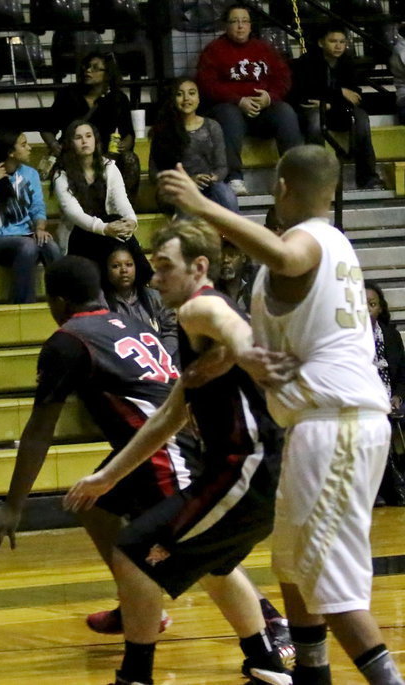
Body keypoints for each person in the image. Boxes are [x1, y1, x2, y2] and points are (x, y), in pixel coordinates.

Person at [157, 147, 404, 685]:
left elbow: (288, 257)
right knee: (292, 569)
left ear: (284, 186)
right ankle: (314, 677)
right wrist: (222, 361)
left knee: (332, 588)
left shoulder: (311, 240)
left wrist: (203, 205)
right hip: (315, 426)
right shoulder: (305, 258)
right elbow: (262, 338)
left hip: (335, 424)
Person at [64, 219, 292, 685]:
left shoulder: (198, 307)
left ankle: (136, 676)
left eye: (165, 266)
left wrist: (247, 348)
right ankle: (266, 662)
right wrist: (107, 478)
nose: (154, 276)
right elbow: (167, 418)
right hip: (241, 471)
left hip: (247, 470)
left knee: (133, 552)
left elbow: (228, 324)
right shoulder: (194, 332)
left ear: (199, 267)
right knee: (215, 563)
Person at [0, 255, 195, 645]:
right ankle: (137, 607)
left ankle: (268, 624)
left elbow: (39, 430)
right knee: (88, 502)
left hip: (167, 445)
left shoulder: (69, 341)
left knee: (196, 549)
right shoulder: (128, 321)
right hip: (164, 436)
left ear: (57, 301)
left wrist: (13, 505)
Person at [196, 3, 303, 197]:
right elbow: (208, 84)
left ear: (251, 26)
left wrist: (269, 98)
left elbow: (283, 77)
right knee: (229, 114)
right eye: (235, 21)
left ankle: (294, 176)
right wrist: (238, 100)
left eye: (245, 21)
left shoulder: (264, 48)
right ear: (226, 26)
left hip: (263, 110)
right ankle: (234, 177)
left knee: (285, 111)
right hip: (230, 110)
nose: (240, 26)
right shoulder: (214, 50)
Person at [51, 120, 149, 284]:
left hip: (108, 233)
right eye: (78, 137)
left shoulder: (109, 167)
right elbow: (74, 214)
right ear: (70, 143)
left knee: (118, 227)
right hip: (78, 235)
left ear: (95, 140)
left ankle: (142, 286)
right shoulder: (61, 174)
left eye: (88, 136)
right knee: (114, 227)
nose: (84, 141)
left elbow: (122, 201)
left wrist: (131, 221)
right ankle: (149, 278)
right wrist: (105, 228)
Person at [0, 131, 61, 304]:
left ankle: (64, 301)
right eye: (24, 144)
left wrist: (40, 228)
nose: (30, 147)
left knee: (50, 246)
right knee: (27, 246)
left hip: (24, 235)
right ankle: (23, 305)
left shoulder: (30, 174)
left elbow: (38, 208)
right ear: (11, 152)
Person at [290, 24, 384, 190]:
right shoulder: (307, 61)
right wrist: (339, 92)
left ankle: (368, 177)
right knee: (315, 121)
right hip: (312, 109)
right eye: (333, 41)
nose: (338, 45)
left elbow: (355, 96)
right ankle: (316, 177)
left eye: (342, 41)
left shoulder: (348, 62)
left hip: (336, 108)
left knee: (361, 119)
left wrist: (330, 101)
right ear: (321, 43)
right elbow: (307, 92)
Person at [40, 51, 140, 201]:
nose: (88, 71)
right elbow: (47, 129)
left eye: (95, 68)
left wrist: (124, 144)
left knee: (130, 159)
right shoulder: (68, 95)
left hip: (105, 154)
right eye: (86, 67)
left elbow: (129, 134)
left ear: (107, 73)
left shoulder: (118, 99)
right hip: (74, 154)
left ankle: (123, 206)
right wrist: (54, 145)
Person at [149, 77, 239, 214]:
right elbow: (155, 173)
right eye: (179, 94)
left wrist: (211, 178)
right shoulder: (163, 130)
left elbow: (222, 167)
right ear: (172, 99)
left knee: (224, 191)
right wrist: (188, 181)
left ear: (198, 98)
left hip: (208, 186)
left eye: (191, 93)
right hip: (176, 188)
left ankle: (235, 233)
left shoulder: (212, 126)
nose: (186, 98)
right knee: (186, 196)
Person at [103, 244, 178, 364]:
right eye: (116, 266)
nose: (124, 270)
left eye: (129, 265)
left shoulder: (155, 297)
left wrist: (162, 356)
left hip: (161, 362)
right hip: (123, 366)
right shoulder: (101, 303)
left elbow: (171, 330)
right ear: (106, 270)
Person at [366, 281, 405, 507]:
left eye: (372, 304)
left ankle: (392, 485)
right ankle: (382, 489)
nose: (367, 308)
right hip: (365, 401)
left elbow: (402, 374)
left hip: (393, 398)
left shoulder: (391, 335)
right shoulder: (348, 338)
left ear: (380, 308)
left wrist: (398, 396)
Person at [216, 238, 257, 314]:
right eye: (221, 255)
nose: (225, 260)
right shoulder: (212, 290)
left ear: (243, 258)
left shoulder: (254, 285)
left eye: (231, 255)